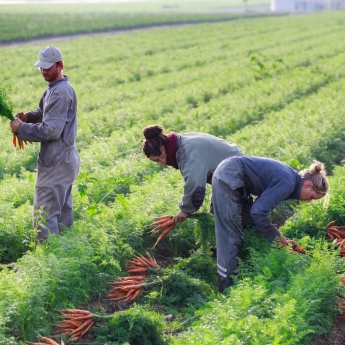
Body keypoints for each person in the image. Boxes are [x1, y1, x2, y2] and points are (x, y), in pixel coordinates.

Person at [212, 156, 329, 292]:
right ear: (308, 185)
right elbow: (258, 212)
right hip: (230, 175)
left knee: (253, 228)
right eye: (312, 197)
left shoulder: (291, 180)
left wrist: (275, 236)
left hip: (234, 176)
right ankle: (227, 290)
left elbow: (256, 212)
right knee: (231, 237)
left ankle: (248, 273)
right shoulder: (287, 183)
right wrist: (276, 236)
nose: (309, 201)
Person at [10, 45, 80, 240]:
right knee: (62, 213)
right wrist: (28, 117)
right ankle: (65, 252)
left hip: (56, 161)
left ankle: (49, 259)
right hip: (64, 159)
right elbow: (44, 113)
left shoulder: (60, 92)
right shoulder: (54, 89)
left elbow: (50, 130)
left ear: (60, 65)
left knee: (44, 214)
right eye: (41, 67)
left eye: (48, 67)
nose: (43, 71)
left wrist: (20, 129)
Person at [141, 125, 242, 223]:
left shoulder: (186, 153)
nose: (159, 164)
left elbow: (195, 183)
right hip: (230, 168)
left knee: (227, 218)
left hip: (235, 171)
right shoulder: (181, 141)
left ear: (162, 150)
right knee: (217, 213)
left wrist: (185, 210)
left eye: (157, 160)